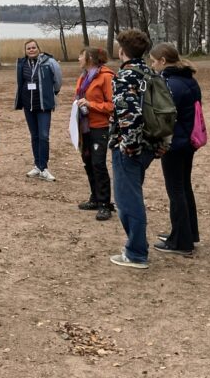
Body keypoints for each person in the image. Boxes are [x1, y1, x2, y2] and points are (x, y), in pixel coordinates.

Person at [109, 28, 163, 270]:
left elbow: (128, 115)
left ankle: (136, 252)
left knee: (128, 200)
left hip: (132, 147)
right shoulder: (152, 73)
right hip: (151, 144)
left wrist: (128, 147)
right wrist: (162, 143)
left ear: (122, 51)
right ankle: (135, 249)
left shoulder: (125, 77)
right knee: (133, 196)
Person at [149, 42, 201, 257]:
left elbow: (163, 114)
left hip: (175, 142)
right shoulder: (188, 79)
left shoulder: (171, 84)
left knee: (176, 190)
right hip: (187, 141)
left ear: (162, 61)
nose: (152, 66)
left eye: (153, 61)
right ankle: (188, 233)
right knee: (184, 187)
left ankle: (181, 241)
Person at [74, 46, 116, 222]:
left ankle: (105, 204)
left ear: (90, 58)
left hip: (100, 126)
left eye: (81, 55)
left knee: (98, 163)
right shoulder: (84, 77)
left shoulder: (106, 77)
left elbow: (113, 105)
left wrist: (91, 105)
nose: (78, 58)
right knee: (88, 162)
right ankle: (95, 198)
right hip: (85, 127)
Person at [13, 39, 63, 182]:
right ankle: (37, 165)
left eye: (34, 47)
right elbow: (20, 82)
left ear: (38, 49)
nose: (31, 50)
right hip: (29, 105)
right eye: (28, 48)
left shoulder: (49, 62)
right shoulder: (21, 63)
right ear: (25, 51)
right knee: (34, 136)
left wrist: (53, 93)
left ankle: (44, 168)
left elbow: (58, 79)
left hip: (43, 105)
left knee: (43, 135)